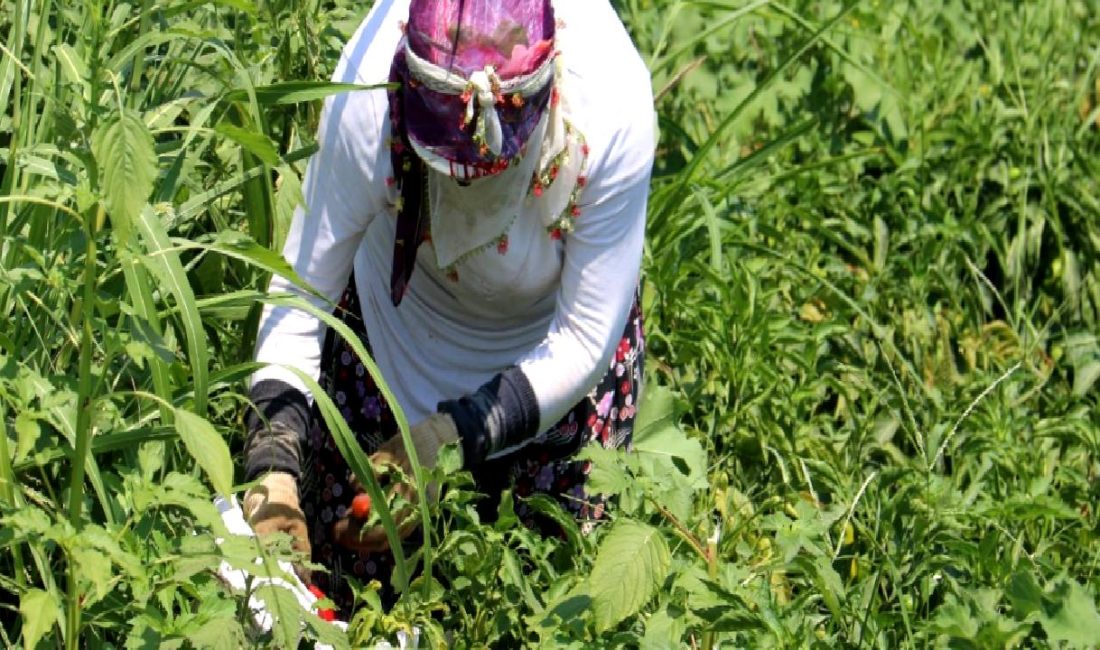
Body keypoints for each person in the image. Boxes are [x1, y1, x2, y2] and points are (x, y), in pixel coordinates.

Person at [240, 0, 655, 613]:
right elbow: (300, 295)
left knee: (539, 605)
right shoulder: (367, 93)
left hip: (550, 367)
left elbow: (582, 340)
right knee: (345, 592)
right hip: (392, 339)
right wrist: (273, 469)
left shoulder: (609, 109)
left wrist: (447, 440)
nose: (463, 188)